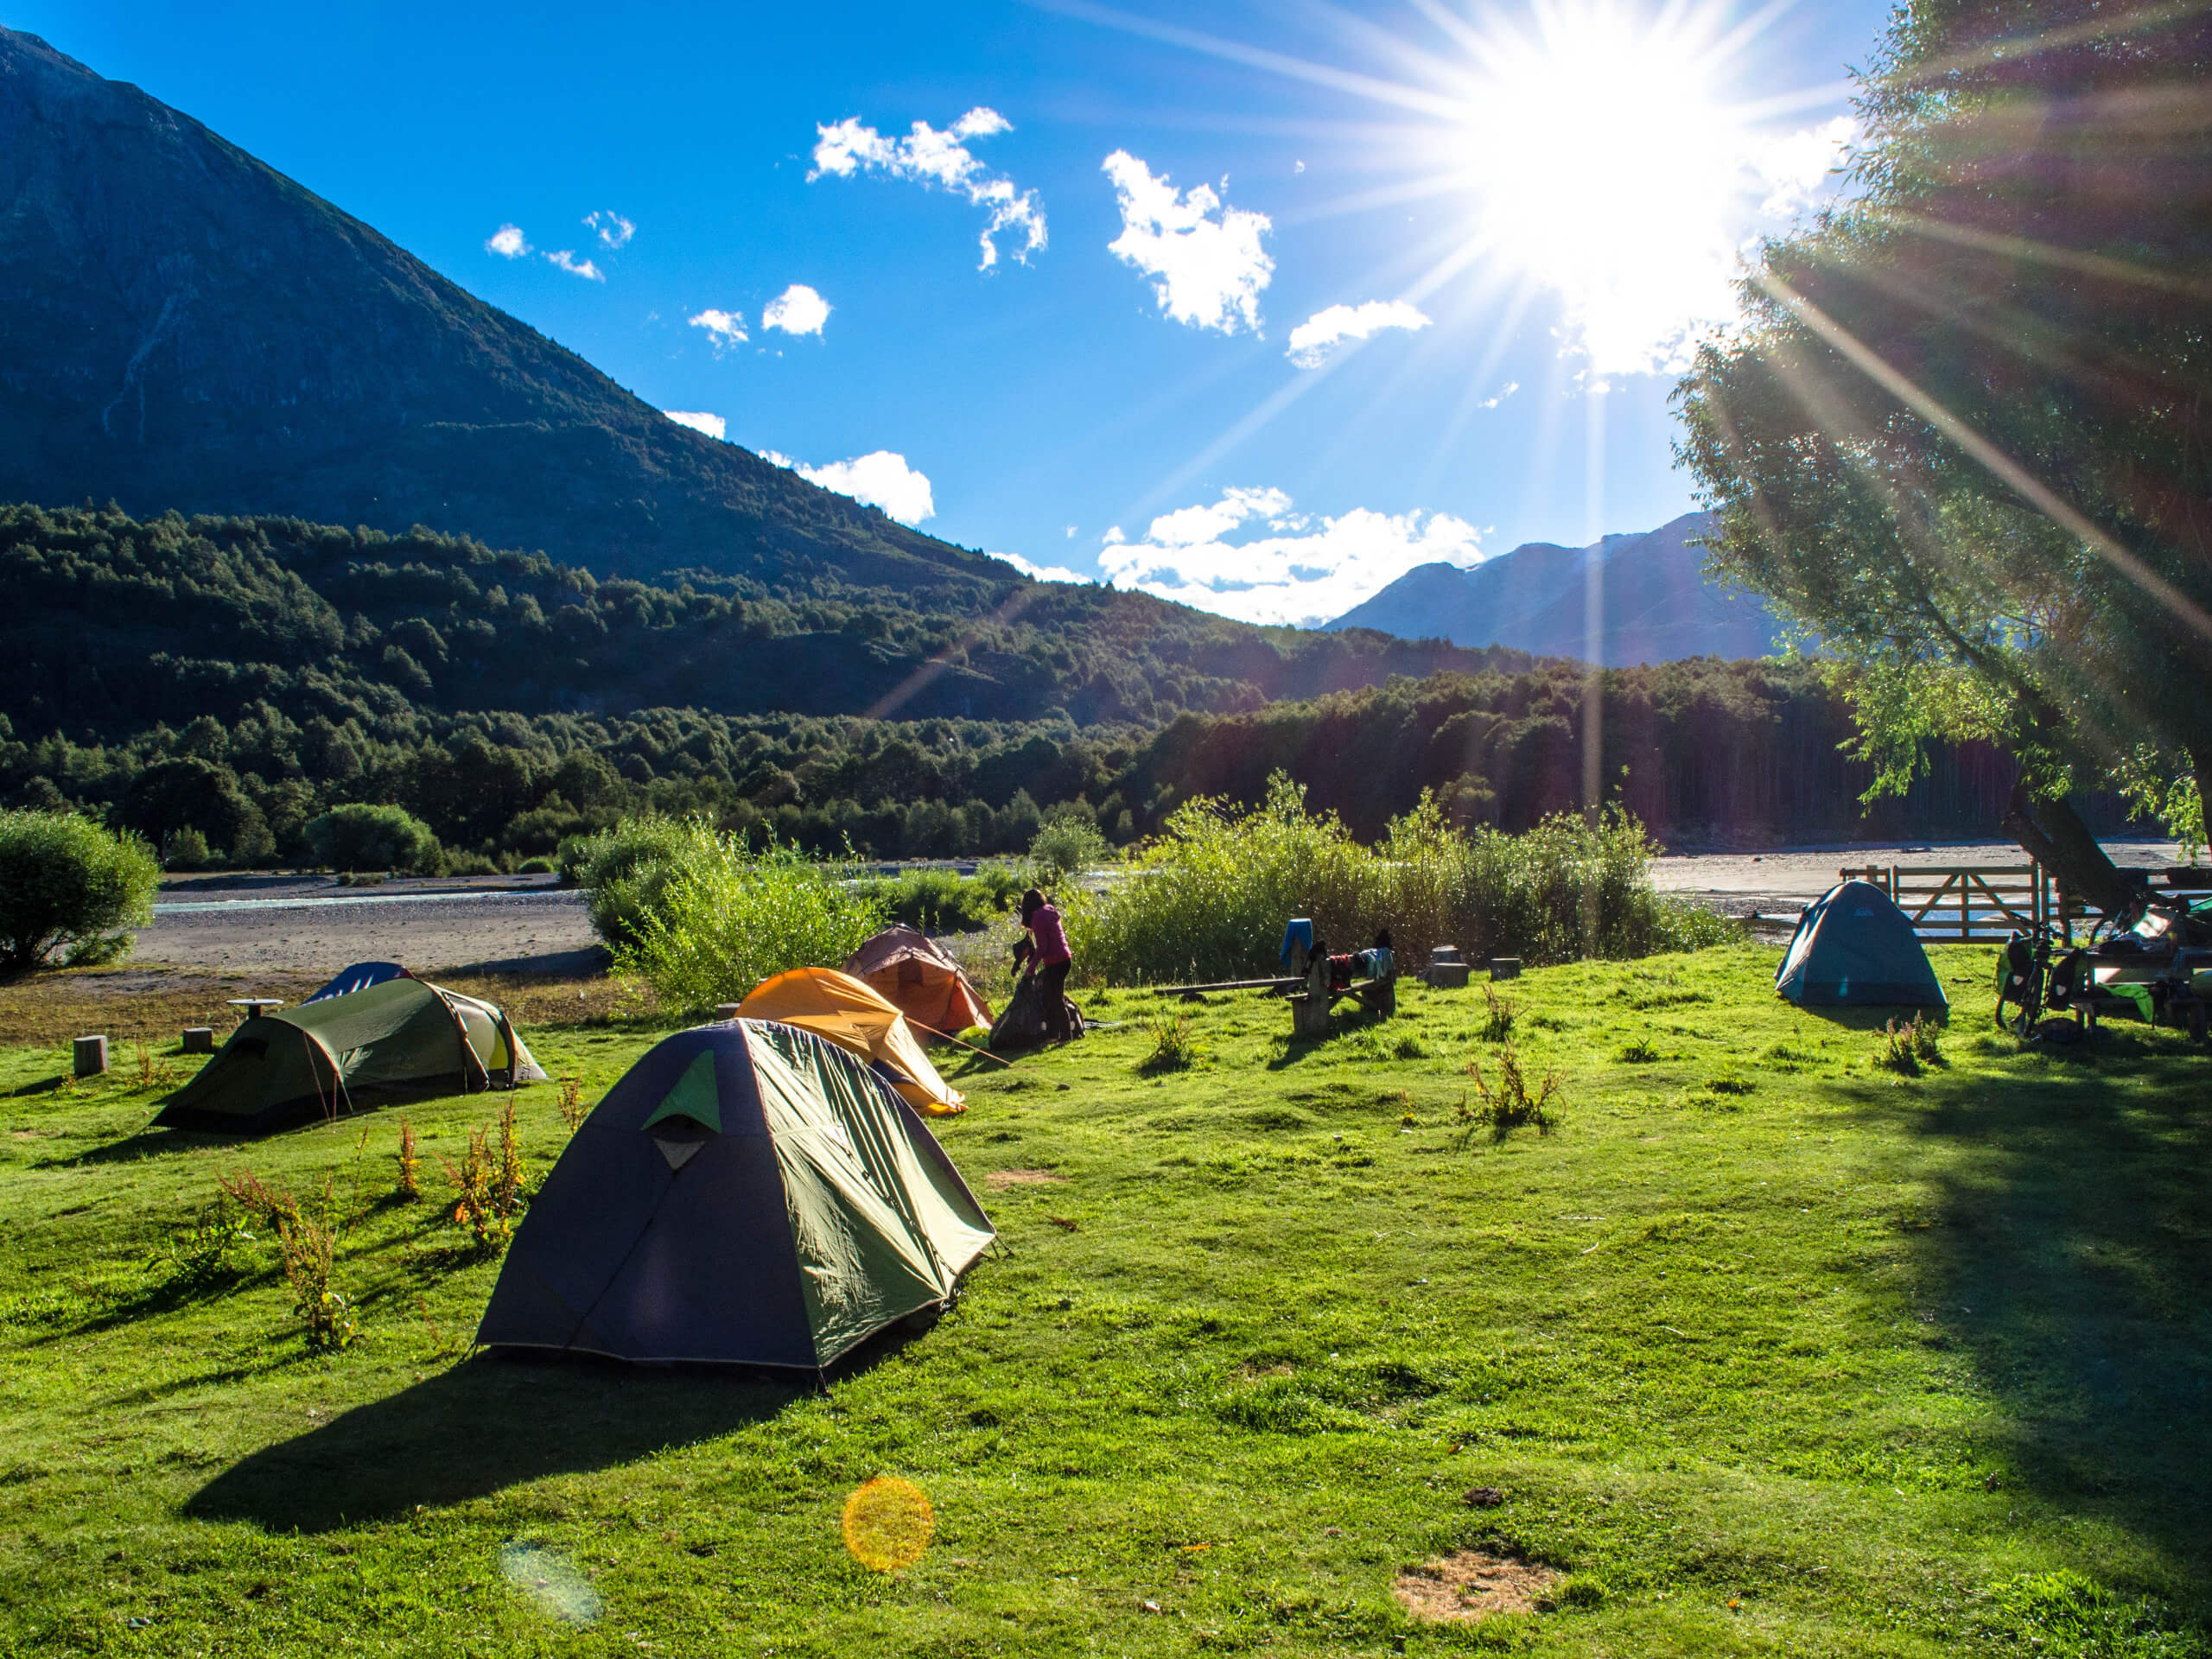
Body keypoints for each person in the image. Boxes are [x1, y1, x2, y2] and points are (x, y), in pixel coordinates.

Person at [1019, 887, 1073, 1043]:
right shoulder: (1048, 910)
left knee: (1055, 1000)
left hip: (1056, 962)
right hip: (1064, 959)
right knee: (1050, 997)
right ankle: (1053, 1035)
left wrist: (1032, 967)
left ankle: (1065, 1036)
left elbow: (1043, 947)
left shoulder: (1038, 917)